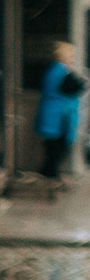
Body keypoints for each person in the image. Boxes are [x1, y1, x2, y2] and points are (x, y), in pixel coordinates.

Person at [38, 42, 84, 179]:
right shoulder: (61, 72)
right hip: (58, 118)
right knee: (57, 150)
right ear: (62, 56)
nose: (73, 58)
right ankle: (50, 176)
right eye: (71, 55)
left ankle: (48, 174)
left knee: (52, 150)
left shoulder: (53, 70)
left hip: (51, 116)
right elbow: (76, 86)